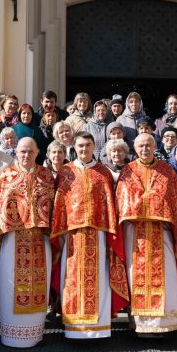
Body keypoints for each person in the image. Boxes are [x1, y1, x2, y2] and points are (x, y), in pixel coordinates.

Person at [51, 132, 129, 339]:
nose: (83, 149)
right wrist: (60, 232)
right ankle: (74, 329)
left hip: (98, 235)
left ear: (94, 147)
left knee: (99, 279)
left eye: (87, 145)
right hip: (73, 236)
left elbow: (109, 205)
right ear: (74, 147)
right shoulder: (66, 171)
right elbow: (60, 203)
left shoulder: (102, 172)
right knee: (72, 279)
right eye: (80, 146)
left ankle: (98, 330)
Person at [117, 134, 177, 337]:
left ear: (155, 146)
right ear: (135, 148)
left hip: (162, 232)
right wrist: (150, 200)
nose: (145, 149)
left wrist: (149, 201)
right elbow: (124, 200)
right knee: (136, 276)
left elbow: (174, 199)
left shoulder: (166, 170)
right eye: (141, 145)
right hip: (135, 235)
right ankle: (140, 324)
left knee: (166, 275)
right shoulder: (128, 171)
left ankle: (164, 322)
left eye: (149, 145)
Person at [0, 137, 55, 348]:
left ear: (37, 153)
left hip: (39, 239)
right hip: (13, 240)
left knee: (39, 284)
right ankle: (11, 335)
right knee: (12, 284)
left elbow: (53, 206)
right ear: (16, 152)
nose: (25, 155)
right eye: (22, 151)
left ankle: (35, 334)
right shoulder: (5, 176)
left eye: (30, 151)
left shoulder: (46, 175)